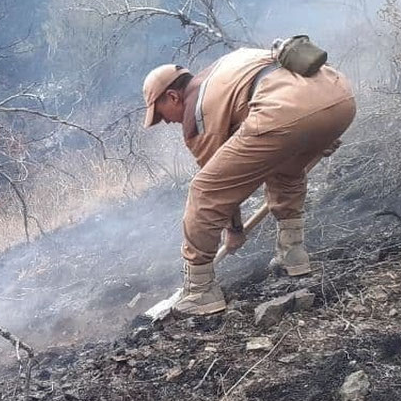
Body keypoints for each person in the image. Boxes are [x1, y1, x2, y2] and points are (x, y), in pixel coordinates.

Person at [141, 46, 356, 314]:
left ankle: (200, 290)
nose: (165, 122)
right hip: (339, 97)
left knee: (203, 191)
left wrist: (234, 231)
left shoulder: (197, 111)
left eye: (161, 114)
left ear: (173, 96)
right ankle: (293, 253)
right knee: (286, 167)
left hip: (285, 112)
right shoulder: (223, 70)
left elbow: (220, 189)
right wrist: (319, 130)